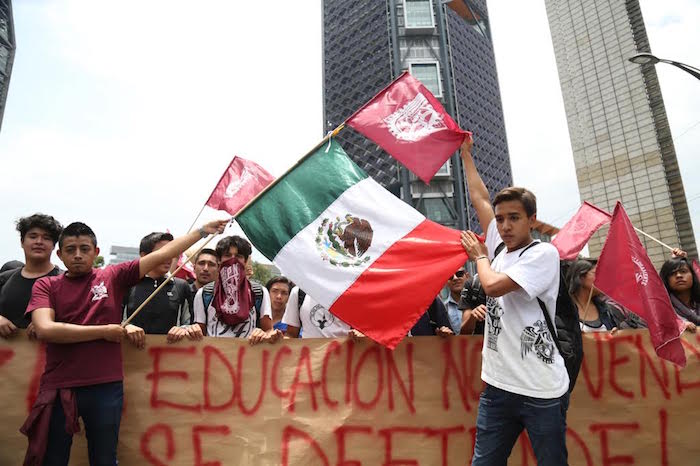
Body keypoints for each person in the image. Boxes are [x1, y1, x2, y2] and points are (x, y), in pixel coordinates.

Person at [21, 219, 227, 466]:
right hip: (58, 385)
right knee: (51, 458)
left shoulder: (112, 276)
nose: (77, 256)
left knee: (105, 458)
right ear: (60, 254)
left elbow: (163, 254)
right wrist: (103, 332)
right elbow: (45, 329)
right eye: (70, 250)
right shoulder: (46, 285)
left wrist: (202, 231)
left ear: (96, 252)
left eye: (84, 249)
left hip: (105, 386)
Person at [459, 134, 570, 465]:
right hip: (497, 387)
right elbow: (479, 196)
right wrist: (466, 155)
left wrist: (478, 256)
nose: (504, 226)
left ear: (532, 220)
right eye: (501, 218)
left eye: (514, 218)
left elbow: (492, 287)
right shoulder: (499, 245)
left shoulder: (543, 254)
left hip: (542, 390)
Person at [192, 236, 279, 344]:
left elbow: (268, 330)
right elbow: (199, 334)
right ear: (219, 260)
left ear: (245, 261)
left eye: (238, 256)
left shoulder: (258, 292)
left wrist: (264, 334)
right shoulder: (205, 294)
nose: (232, 260)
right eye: (227, 255)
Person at [0, 214, 63, 339]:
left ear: (54, 245)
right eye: (33, 236)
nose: (39, 242)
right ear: (22, 242)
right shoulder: (4, 279)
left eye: (46, 238)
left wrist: (48, 324)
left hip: (51, 356)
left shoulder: (65, 280)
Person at [123, 232, 194, 341]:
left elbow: (190, 324)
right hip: (131, 354)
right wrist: (126, 327)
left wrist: (183, 329)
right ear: (144, 255)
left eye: (172, 252)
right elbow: (113, 321)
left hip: (171, 354)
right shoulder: (127, 284)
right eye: (162, 253)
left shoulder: (181, 286)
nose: (168, 257)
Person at [567, 259, 647, 333]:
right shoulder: (564, 311)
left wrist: (616, 333)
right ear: (581, 277)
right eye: (597, 274)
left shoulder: (606, 310)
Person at [283, 286, 354, 338]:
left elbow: (359, 331)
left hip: (343, 356)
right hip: (309, 356)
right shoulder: (299, 292)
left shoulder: (351, 292)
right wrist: (278, 341)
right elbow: (291, 334)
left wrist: (360, 335)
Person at [660, 254, 699, 332]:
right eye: (672, 273)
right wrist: (679, 324)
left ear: (693, 275)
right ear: (666, 280)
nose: (678, 275)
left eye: (683, 271)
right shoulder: (662, 309)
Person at [443, 267, 469, 334]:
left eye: (459, 274)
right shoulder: (443, 308)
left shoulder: (478, 303)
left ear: (467, 276)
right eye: (450, 276)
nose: (455, 278)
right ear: (446, 282)